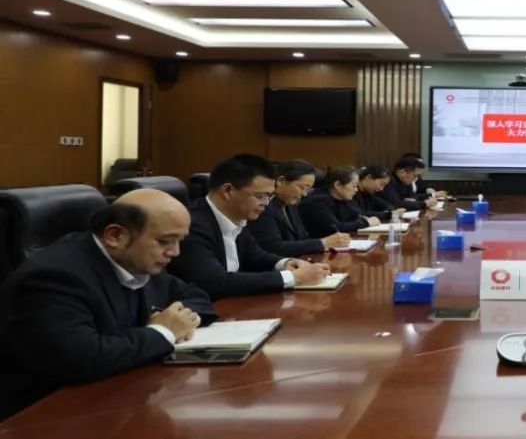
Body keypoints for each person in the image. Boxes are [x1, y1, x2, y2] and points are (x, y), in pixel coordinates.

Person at [0, 189, 217, 420]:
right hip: (49, 415)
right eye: (165, 241)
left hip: (122, 394)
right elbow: (84, 359)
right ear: (115, 236)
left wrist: (180, 321)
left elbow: (196, 295)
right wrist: (163, 331)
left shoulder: (136, 261)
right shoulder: (52, 278)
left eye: (179, 241)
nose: (175, 252)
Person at [168, 154, 330, 300]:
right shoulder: (190, 225)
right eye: (260, 196)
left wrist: (287, 263)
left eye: (268, 196)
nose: (266, 203)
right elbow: (215, 282)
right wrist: (293, 278)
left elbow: (255, 255)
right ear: (228, 191)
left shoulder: (237, 217)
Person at [247, 160, 350, 257]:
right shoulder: (263, 207)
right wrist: (322, 243)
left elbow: (303, 237)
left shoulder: (291, 205)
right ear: (281, 181)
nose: (304, 194)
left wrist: (326, 243)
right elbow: (273, 247)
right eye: (302, 187)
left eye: (308, 189)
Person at [299, 166, 384, 237]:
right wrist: (366, 222)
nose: (356, 190)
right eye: (354, 185)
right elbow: (337, 228)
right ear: (338, 185)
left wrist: (362, 220)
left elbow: (358, 214)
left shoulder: (342, 198)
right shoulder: (317, 201)